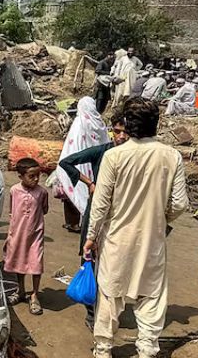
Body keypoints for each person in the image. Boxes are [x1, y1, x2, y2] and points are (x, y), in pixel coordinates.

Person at [84, 97, 189, 358]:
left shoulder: (114, 156)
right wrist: (160, 219)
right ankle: (146, 349)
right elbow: (180, 204)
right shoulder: (171, 156)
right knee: (151, 297)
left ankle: (104, 349)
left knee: (109, 295)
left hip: (116, 239)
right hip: (152, 240)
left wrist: (90, 237)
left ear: (128, 125)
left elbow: (100, 205)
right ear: (156, 123)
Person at [58, 113, 129, 330]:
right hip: (95, 211)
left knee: (114, 261)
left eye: (126, 132)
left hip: (119, 214)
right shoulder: (103, 151)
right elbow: (66, 162)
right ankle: (91, 311)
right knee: (89, 258)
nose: (122, 136)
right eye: (117, 131)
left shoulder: (131, 156)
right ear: (111, 131)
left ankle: (108, 307)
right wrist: (90, 182)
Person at [54, 97, 111, 232]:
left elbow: (73, 144)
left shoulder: (79, 122)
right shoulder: (100, 123)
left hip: (77, 162)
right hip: (95, 163)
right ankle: (81, 221)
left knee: (72, 191)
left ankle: (73, 223)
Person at [4, 158, 49, 316]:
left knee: (36, 264)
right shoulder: (14, 191)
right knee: (19, 262)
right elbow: (12, 211)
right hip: (18, 234)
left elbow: (44, 210)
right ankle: (21, 289)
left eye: (38, 175)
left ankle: (35, 295)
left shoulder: (42, 192)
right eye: (31, 176)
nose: (36, 179)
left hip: (35, 234)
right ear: (20, 176)